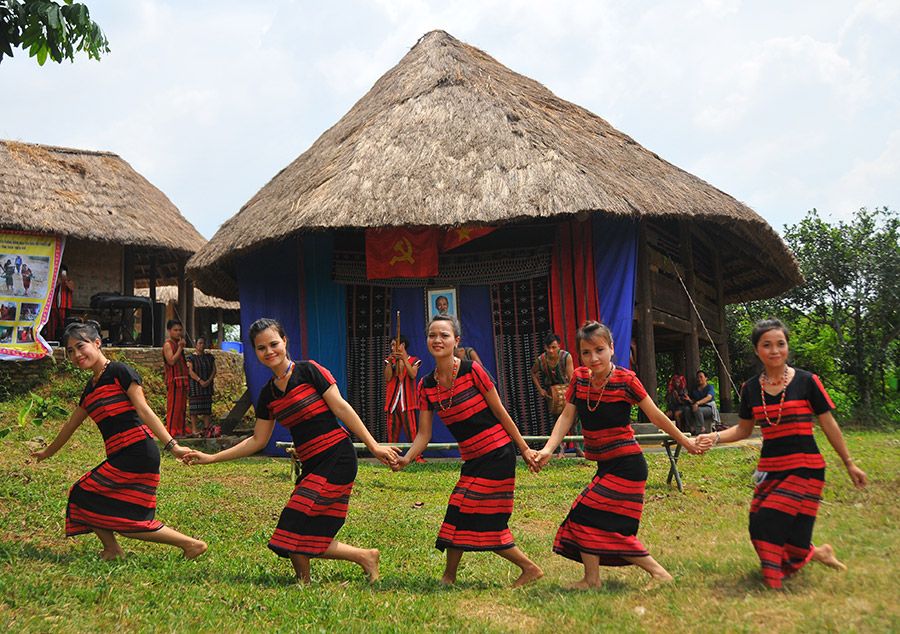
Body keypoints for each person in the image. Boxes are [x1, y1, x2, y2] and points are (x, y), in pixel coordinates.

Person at [183, 318, 399, 583]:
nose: (269, 351)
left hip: (337, 457)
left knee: (292, 525)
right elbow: (257, 441)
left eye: (274, 344)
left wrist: (373, 446)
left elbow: (342, 408)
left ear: (285, 341)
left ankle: (324, 573)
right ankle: (347, 563)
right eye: (261, 348)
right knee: (290, 533)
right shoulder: (267, 395)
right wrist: (213, 457)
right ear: (255, 352)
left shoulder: (309, 371)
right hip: (310, 464)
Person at [695, 319, 867, 589]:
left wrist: (850, 464)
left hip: (805, 468)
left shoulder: (808, 382)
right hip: (771, 468)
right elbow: (743, 430)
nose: (774, 350)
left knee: (769, 520)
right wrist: (713, 437)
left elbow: (829, 424)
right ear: (757, 350)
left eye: (780, 344)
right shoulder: (750, 388)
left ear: (787, 347)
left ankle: (773, 580)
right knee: (769, 527)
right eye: (767, 345)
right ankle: (818, 553)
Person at [530, 321, 699, 589]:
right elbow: (566, 415)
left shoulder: (626, 380)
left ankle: (659, 573)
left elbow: (655, 415)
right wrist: (549, 448)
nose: (593, 358)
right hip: (605, 465)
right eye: (586, 352)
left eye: (599, 349)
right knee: (588, 521)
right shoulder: (580, 379)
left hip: (628, 466)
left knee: (587, 517)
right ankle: (592, 579)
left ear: (611, 348)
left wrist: (685, 441)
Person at [30, 322, 207, 560]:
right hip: (119, 454)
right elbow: (70, 426)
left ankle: (190, 544)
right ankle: (114, 549)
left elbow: (144, 411)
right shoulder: (90, 388)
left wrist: (172, 446)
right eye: (70, 351)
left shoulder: (119, 372)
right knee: (87, 497)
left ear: (97, 343)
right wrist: (47, 453)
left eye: (80, 346)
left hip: (137, 451)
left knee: (119, 515)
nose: (76, 354)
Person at [392, 315, 544, 587]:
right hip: (473, 457)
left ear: (456, 341)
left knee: (476, 515)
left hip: (497, 452)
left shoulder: (473, 370)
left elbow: (500, 412)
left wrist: (524, 449)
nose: (437, 340)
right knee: (458, 513)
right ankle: (450, 577)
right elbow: (423, 435)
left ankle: (527, 568)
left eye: (444, 335)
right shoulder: (426, 386)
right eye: (432, 335)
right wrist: (406, 458)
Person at [530, 333, 579, 457]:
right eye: (548, 348)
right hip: (552, 395)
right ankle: (560, 450)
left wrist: (571, 393)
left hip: (567, 391)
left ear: (559, 346)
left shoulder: (566, 357)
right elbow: (533, 373)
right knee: (557, 421)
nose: (551, 350)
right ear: (545, 347)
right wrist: (540, 389)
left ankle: (578, 448)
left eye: (554, 347)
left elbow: (571, 377)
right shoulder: (541, 360)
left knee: (574, 420)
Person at [383, 334, 422, 449]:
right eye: (391, 345)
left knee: (412, 431)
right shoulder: (389, 360)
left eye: (394, 345)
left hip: (408, 402)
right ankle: (391, 457)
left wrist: (404, 359)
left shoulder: (414, 360)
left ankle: (416, 457)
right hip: (392, 402)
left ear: (402, 345)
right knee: (392, 432)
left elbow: (412, 374)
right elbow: (388, 377)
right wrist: (390, 362)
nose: (392, 348)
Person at [162, 319, 190, 437]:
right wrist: (180, 348)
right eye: (175, 330)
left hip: (182, 380)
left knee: (182, 407)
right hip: (174, 380)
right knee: (174, 407)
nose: (178, 332)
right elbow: (171, 361)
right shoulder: (168, 344)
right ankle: (172, 431)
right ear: (169, 331)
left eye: (180, 330)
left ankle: (181, 430)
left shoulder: (178, 343)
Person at [186, 336, 217, 437]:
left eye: (203, 343)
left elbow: (214, 370)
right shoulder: (191, 358)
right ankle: (194, 429)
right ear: (196, 345)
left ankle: (206, 429)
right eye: (200, 343)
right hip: (195, 386)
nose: (202, 345)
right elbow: (190, 371)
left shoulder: (209, 357)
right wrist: (200, 380)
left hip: (207, 386)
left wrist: (208, 381)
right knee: (194, 409)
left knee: (206, 409)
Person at [682, 370, 718, 435]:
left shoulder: (709, 387)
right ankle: (691, 428)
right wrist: (689, 400)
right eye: (698, 377)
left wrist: (698, 403)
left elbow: (709, 397)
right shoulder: (695, 389)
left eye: (701, 377)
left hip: (708, 408)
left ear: (706, 378)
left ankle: (701, 428)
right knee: (687, 409)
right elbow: (694, 401)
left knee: (698, 410)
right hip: (697, 407)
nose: (699, 379)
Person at [48, 264, 74, 340]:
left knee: (64, 325)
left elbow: (72, 288)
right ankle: (51, 340)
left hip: (64, 306)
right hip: (53, 306)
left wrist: (65, 281)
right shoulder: (54, 281)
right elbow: (50, 289)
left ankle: (64, 340)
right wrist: (57, 282)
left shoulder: (69, 281)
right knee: (52, 326)